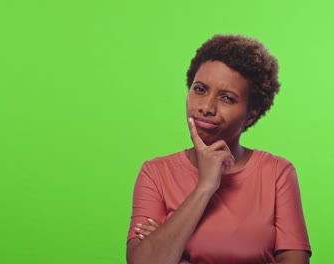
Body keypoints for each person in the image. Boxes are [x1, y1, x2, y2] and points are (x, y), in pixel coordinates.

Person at [126, 34, 311, 264]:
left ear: (250, 116)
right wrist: (205, 186)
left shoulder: (277, 173)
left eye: (227, 98)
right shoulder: (155, 173)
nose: (206, 107)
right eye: (200, 89)